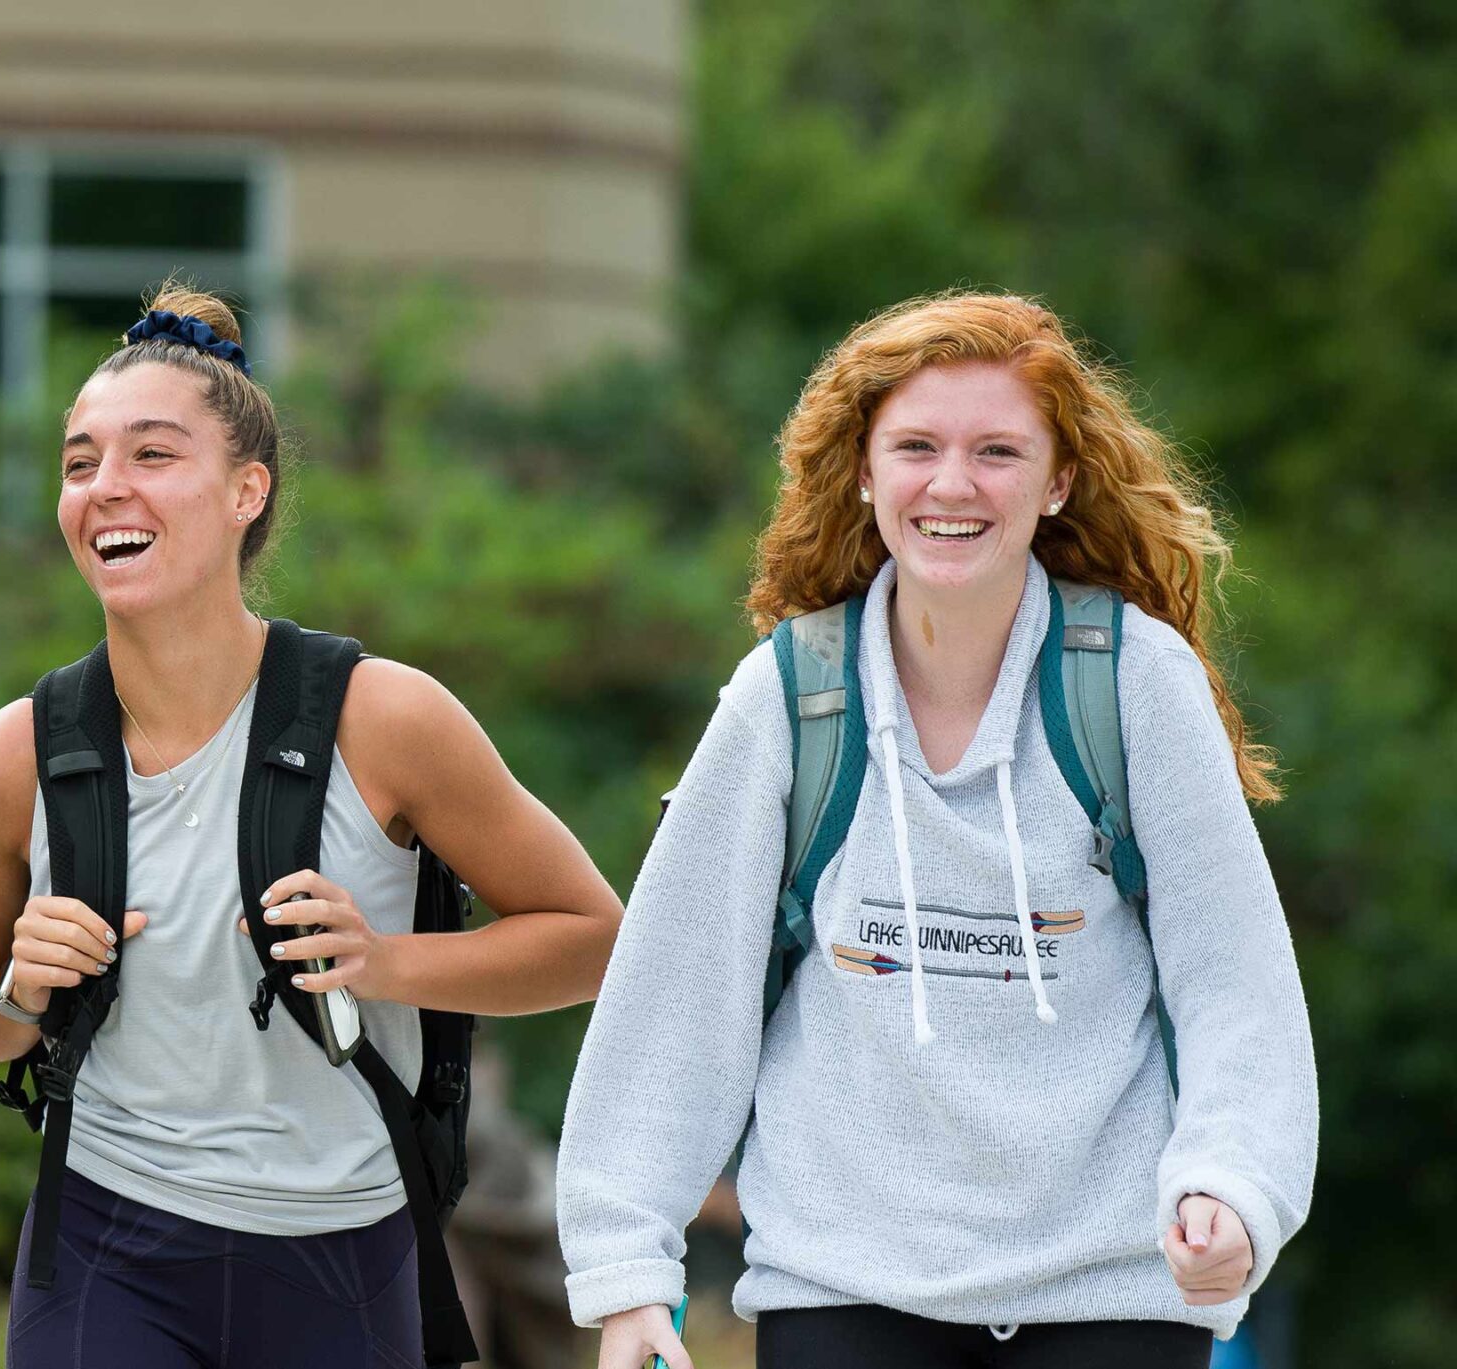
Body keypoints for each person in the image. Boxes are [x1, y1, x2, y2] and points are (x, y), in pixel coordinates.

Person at [555, 292, 1318, 1369]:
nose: (952, 484)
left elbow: (1235, 983)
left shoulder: (1137, 682)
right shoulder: (789, 696)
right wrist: (628, 1269)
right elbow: (680, 990)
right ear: (863, 472)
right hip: (845, 1283)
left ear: (1057, 481)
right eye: (915, 446)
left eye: (997, 451)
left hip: (1112, 1287)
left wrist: (1232, 1185)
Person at [0, 285, 624, 1367]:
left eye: (151, 455)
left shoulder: (387, 719)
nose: (105, 488)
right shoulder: (5, 761)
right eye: (78, 461)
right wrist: (17, 993)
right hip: (105, 1244)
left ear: (248, 489)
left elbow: (593, 937)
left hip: (344, 1251)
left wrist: (381, 960)